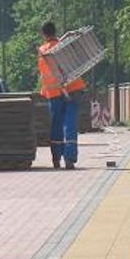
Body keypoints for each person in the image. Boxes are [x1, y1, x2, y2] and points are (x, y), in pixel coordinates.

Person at [38, 21, 86, 169]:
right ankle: (70, 159)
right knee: (70, 123)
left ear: (43, 34)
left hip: (54, 93)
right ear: (55, 31)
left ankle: (56, 159)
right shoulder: (63, 45)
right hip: (74, 89)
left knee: (56, 125)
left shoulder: (42, 51)